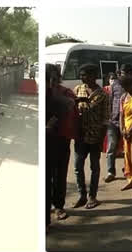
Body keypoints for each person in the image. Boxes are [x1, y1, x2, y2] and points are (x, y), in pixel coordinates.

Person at [72, 64, 109, 210]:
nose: (82, 77)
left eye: (85, 75)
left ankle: (92, 196)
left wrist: (102, 138)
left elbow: (106, 119)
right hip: (80, 136)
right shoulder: (77, 90)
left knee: (95, 167)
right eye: (81, 75)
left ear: (94, 76)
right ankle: (82, 195)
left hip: (95, 136)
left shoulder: (103, 95)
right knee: (77, 166)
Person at [46, 64, 76, 223]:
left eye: (53, 78)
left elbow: (70, 105)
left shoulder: (65, 93)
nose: (51, 81)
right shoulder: (45, 93)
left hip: (61, 139)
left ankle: (59, 206)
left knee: (59, 175)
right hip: (47, 141)